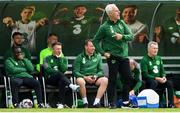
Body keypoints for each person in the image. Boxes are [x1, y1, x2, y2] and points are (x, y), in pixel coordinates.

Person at [93, 4, 134, 108]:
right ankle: (112, 103)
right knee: (113, 79)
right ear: (110, 13)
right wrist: (103, 52)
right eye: (116, 11)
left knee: (128, 78)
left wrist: (122, 37)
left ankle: (125, 102)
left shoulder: (121, 23)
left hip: (124, 56)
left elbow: (131, 36)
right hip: (112, 57)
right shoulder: (104, 27)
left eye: (118, 11)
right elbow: (95, 41)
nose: (119, 12)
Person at [43, 42, 79, 109]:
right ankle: (71, 85)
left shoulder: (64, 59)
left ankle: (61, 104)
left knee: (62, 81)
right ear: (52, 49)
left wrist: (60, 59)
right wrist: (57, 72)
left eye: (60, 49)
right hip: (50, 79)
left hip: (60, 79)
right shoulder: (46, 58)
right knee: (59, 74)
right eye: (57, 49)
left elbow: (64, 69)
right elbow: (48, 70)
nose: (59, 50)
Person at [73, 39, 108, 108]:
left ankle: (96, 102)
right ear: (86, 47)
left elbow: (101, 71)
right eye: (91, 46)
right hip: (83, 78)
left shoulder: (98, 56)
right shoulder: (79, 57)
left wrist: (95, 76)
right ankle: (85, 102)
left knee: (105, 80)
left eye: (94, 46)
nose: (94, 48)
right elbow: (75, 71)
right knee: (80, 80)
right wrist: (85, 77)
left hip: (95, 78)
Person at [140, 41, 174, 108]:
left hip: (160, 80)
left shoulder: (159, 58)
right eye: (154, 48)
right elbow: (145, 74)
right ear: (149, 49)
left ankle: (171, 104)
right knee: (154, 82)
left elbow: (162, 71)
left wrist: (164, 77)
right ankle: (152, 102)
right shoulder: (144, 60)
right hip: (149, 80)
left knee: (169, 83)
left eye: (157, 48)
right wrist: (156, 78)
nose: (156, 50)